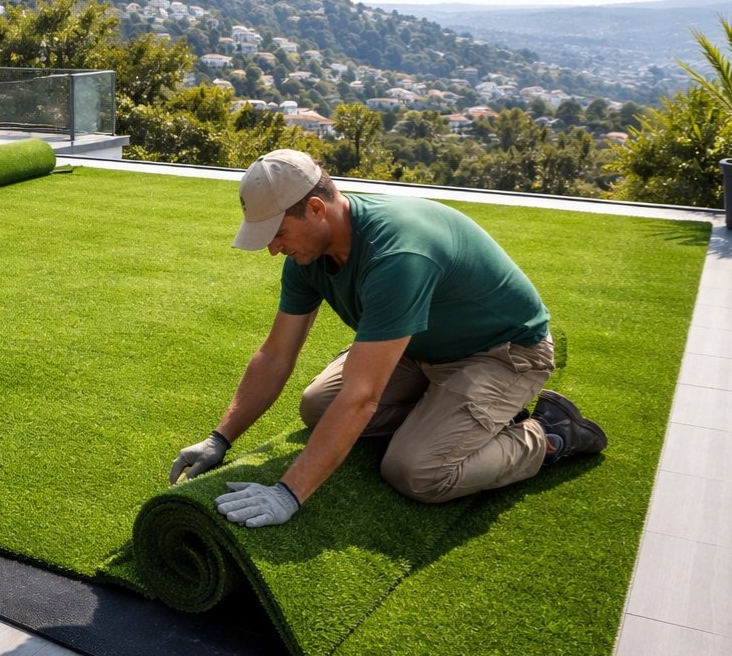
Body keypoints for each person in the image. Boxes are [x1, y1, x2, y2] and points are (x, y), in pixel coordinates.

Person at [170, 149, 607, 529]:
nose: (272, 249)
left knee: (416, 472)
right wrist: (220, 439)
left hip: (501, 354)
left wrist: (288, 493)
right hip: (417, 347)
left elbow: (362, 397)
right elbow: (275, 354)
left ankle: (550, 434)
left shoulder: (397, 254)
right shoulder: (307, 257)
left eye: (278, 233)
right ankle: (449, 414)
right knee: (318, 407)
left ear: (317, 209)